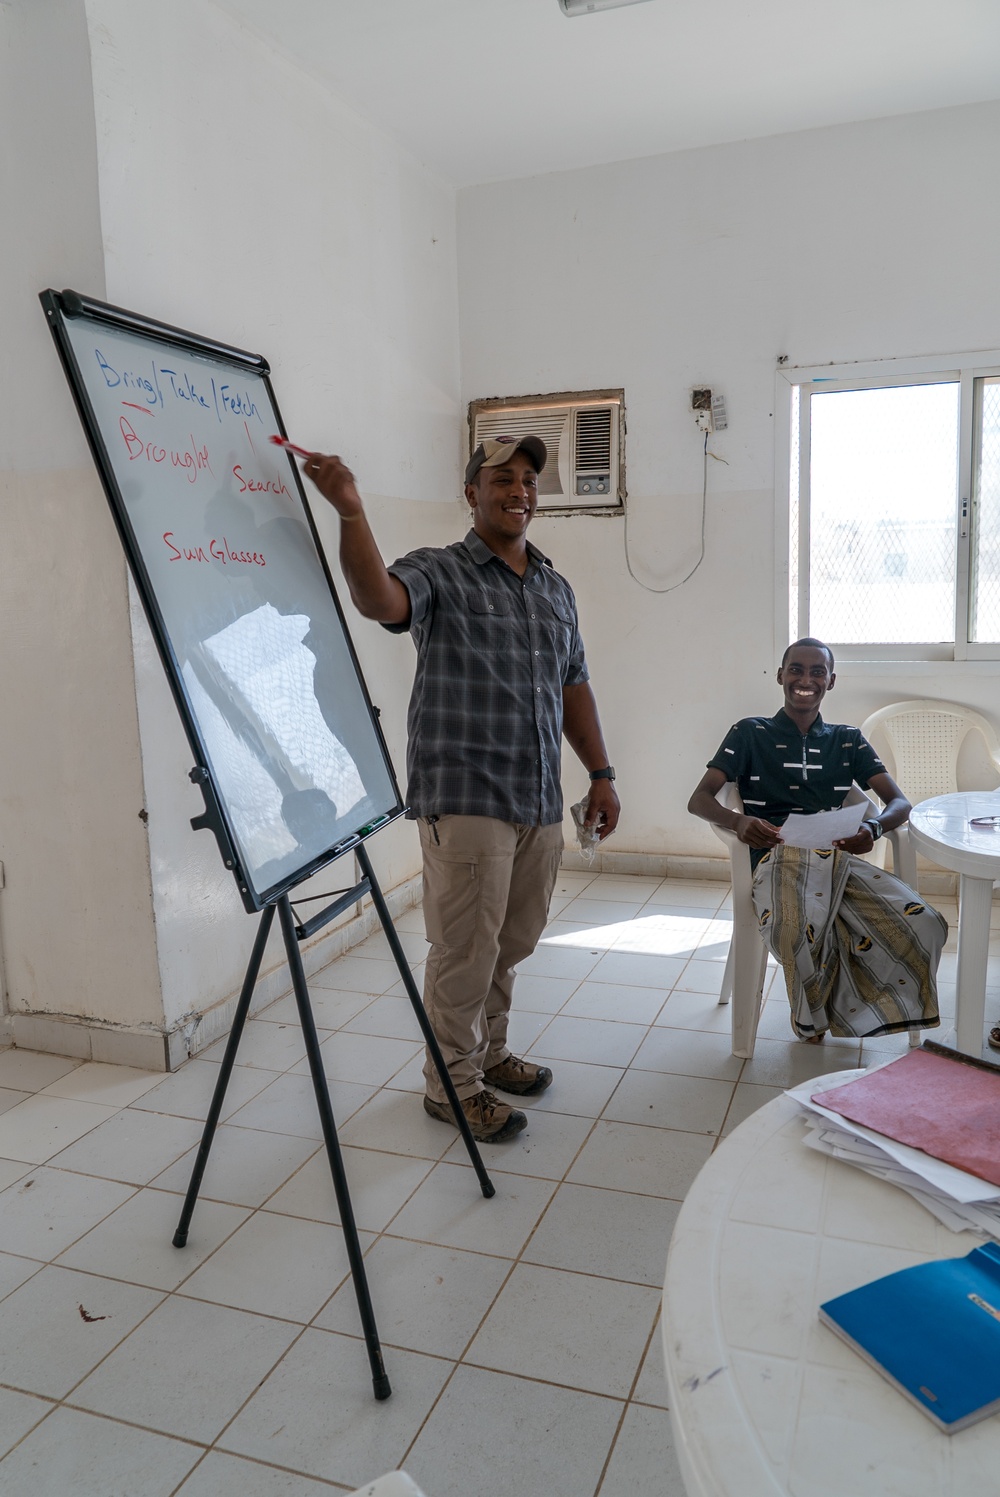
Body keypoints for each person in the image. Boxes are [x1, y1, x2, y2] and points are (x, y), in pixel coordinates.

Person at [303, 435, 620, 1140]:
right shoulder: (441, 571)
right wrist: (351, 513)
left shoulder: (553, 586)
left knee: (511, 939)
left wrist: (601, 774)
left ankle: (492, 1052)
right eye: (502, 478)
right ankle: (452, 1082)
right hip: (468, 792)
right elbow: (377, 598)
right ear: (471, 492)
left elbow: (573, 686)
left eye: (529, 480)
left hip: (536, 796)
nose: (519, 490)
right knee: (465, 948)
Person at [687, 638, 945, 1042]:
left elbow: (899, 802)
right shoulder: (749, 733)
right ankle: (813, 1018)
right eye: (796, 670)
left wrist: (873, 829)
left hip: (837, 861)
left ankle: (873, 1011)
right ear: (780, 676)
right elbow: (699, 799)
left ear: (831, 681)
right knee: (794, 929)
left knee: (925, 922)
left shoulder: (847, 740)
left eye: (817, 672)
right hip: (775, 860)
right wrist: (739, 824)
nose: (805, 680)